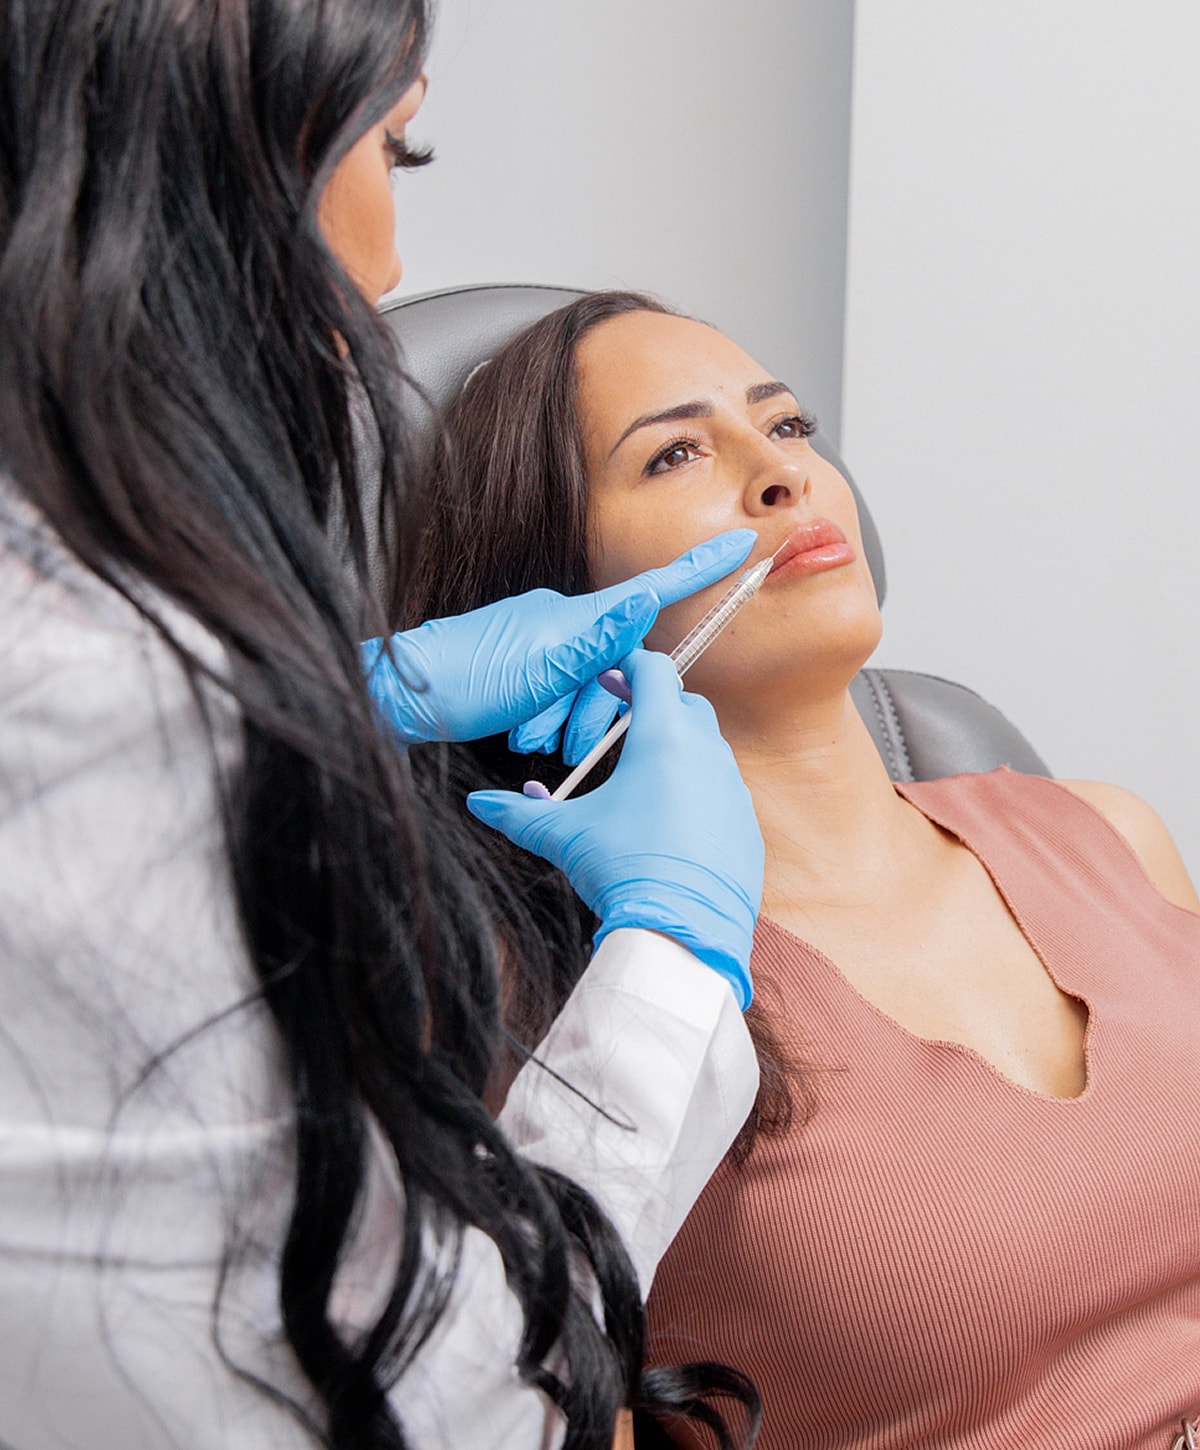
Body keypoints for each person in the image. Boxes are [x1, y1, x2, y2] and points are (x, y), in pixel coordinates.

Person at [0, 9, 768, 1449]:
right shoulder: (117, 732)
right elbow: (438, 1402)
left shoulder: (1069, 825)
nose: (388, 272)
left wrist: (347, 694)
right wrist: (675, 954)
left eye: (790, 430)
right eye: (393, 143)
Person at [402, 288, 1200, 1450]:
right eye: (676, 452)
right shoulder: (583, 1008)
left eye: (785, 426)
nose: (786, 480)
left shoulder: (1106, 832)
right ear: (550, 596)